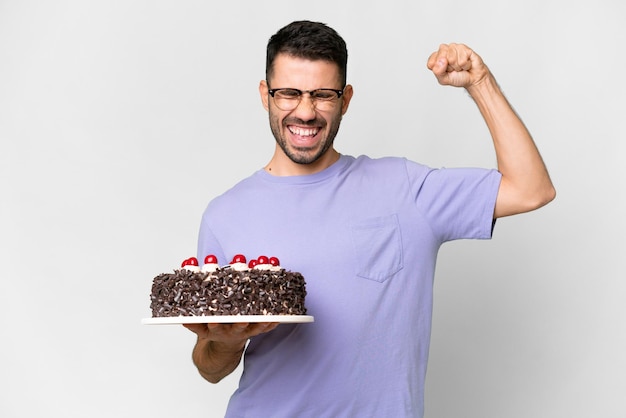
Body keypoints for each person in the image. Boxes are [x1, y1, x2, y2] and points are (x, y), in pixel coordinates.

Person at [183, 20, 555, 417]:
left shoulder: (405, 188)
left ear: (345, 99)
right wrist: (225, 343)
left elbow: (532, 189)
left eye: (323, 95)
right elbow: (210, 368)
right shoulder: (225, 215)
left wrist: (480, 83)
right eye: (289, 93)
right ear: (265, 95)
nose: (305, 112)